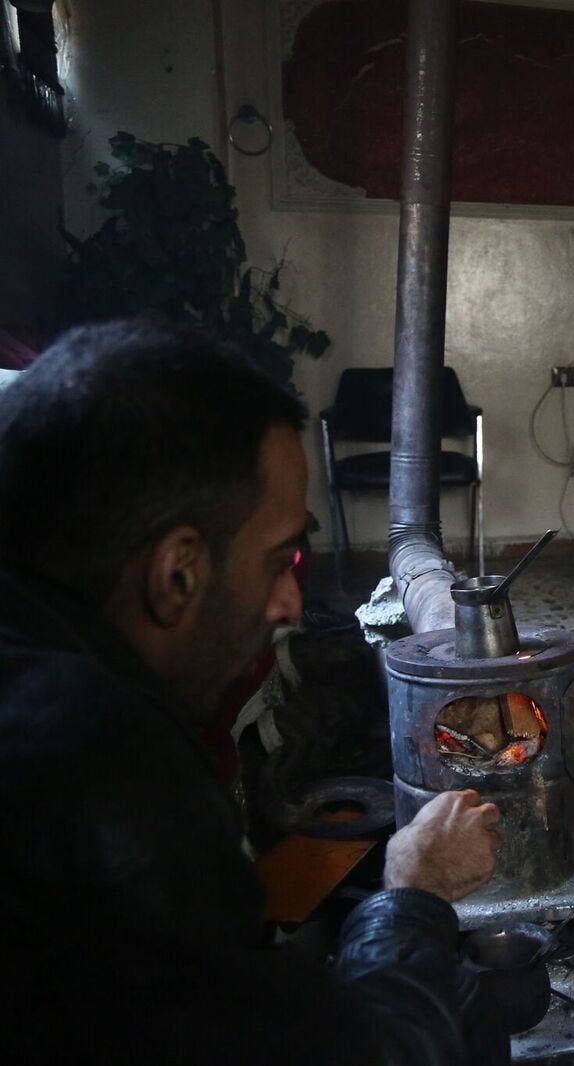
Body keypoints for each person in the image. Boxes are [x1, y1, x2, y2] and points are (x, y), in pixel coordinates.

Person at [0, 320, 502, 1064]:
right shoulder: (100, 774)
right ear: (179, 574)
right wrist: (411, 895)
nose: (291, 605)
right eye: (281, 560)